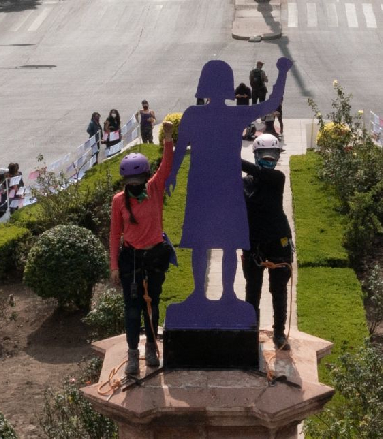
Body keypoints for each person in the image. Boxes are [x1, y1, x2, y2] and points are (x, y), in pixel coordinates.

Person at [165, 58, 292, 327]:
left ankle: (209, 295)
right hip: (225, 185)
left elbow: (180, 151)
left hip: (203, 185)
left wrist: (172, 175)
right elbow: (271, 104)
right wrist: (281, 74)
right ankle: (223, 296)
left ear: (203, 85)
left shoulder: (193, 113)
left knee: (207, 243)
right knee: (226, 244)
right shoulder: (231, 114)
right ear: (228, 86)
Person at [110, 122, 176, 376]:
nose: (136, 185)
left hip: (155, 256)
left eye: (139, 180)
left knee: (152, 304)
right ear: (125, 180)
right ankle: (132, 354)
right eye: (131, 181)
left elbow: (166, 167)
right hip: (131, 259)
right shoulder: (119, 201)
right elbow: (115, 234)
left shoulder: (154, 189)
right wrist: (114, 266)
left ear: (146, 177)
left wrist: (168, 138)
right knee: (132, 307)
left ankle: (150, 346)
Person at [242, 134, 293, 349]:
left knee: (278, 289)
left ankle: (279, 332)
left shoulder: (277, 178)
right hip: (253, 242)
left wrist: (227, 155)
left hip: (277, 241)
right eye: (264, 155)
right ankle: (251, 330)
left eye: (272, 155)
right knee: (253, 288)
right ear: (255, 155)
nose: (268, 159)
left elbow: (256, 171)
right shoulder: (244, 183)